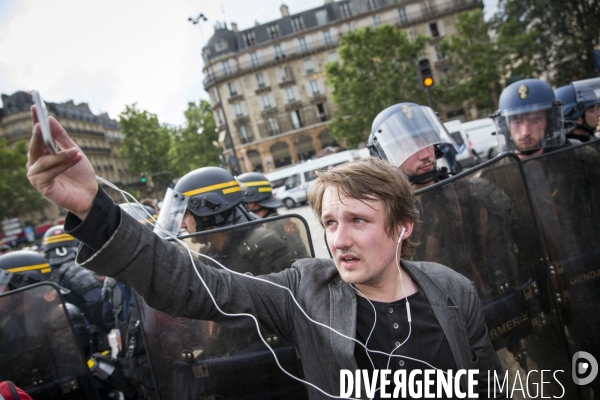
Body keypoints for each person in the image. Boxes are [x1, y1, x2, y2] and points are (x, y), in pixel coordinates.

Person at [26, 111, 503, 399]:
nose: (338, 240)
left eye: (358, 221)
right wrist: (95, 211)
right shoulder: (305, 292)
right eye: (330, 223)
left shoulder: (453, 290)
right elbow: (197, 286)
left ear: (401, 227)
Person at [42, 225, 111, 354]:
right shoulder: (76, 269)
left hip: (66, 337)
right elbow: (96, 300)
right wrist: (102, 325)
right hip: (90, 333)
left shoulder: (48, 274)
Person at [367, 103, 454, 191]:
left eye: (427, 142)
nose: (425, 155)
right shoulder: (387, 204)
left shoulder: (460, 190)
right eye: (410, 147)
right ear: (386, 159)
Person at [490, 78, 567, 159]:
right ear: (506, 127)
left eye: (535, 121)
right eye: (518, 122)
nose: (525, 132)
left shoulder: (571, 158)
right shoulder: (496, 169)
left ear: (548, 123)